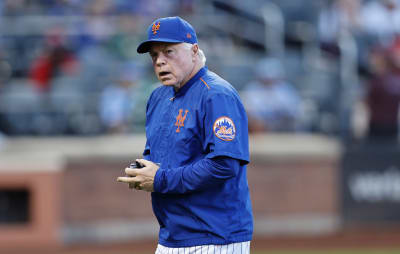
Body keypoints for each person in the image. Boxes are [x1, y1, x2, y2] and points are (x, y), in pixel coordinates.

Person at [117, 17, 253, 253]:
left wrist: (160, 179)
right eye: (154, 55)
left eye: (169, 51)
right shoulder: (158, 97)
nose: (160, 61)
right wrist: (143, 168)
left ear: (194, 51)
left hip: (215, 236)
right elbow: (157, 154)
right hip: (172, 235)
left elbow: (225, 164)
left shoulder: (216, 95)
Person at [241, 57, 302, 133]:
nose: (269, 80)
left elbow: (293, 113)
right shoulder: (252, 88)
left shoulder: (286, 89)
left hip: (283, 129)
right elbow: (247, 114)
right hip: (260, 130)